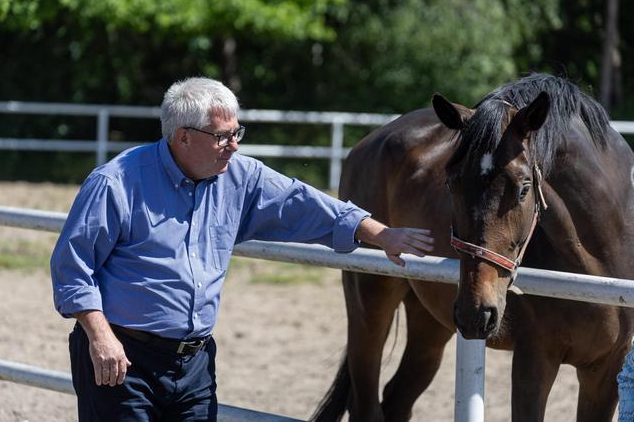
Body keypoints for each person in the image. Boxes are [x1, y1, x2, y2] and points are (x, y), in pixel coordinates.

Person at [50, 77, 434, 421]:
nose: (233, 146)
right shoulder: (116, 183)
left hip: (194, 362)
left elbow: (306, 204)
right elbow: (72, 266)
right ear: (183, 137)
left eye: (237, 133)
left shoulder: (240, 177)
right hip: (122, 357)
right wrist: (100, 338)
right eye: (222, 136)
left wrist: (381, 234)